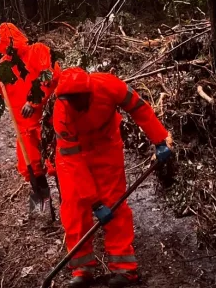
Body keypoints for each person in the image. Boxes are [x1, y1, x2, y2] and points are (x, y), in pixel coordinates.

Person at [51, 67, 173, 287]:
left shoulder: (109, 85)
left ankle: (125, 269)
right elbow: (73, 162)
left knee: (115, 204)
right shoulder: (62, 112)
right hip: (73, 156)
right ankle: (82, 269)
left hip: (107, 147)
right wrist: (94, 202)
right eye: (69, 100)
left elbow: (139, 108)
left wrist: (159, 140)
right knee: (74, 208)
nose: (74, 105)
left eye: (77, 99)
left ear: (88, 93)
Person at [0, 22, 60, 214]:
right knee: (32, 169)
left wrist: (33, 102)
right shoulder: (4, 62)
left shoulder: (38, 51)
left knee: (57, 164)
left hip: (47, 121)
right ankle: (44, 212)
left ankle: (69, 204)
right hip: (23, 127)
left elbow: (51, 77)